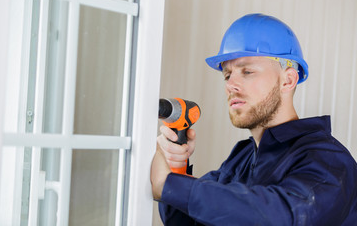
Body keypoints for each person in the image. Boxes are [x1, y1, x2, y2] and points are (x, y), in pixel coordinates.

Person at [150, 13, 357, 225]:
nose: (231, 85)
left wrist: (170, 185)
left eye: (247, 71)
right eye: (227, 75)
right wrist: (176, 169)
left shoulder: (329, 161)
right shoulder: (241, 160)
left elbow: (283, 217)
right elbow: (185, 222)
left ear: (288, 80)